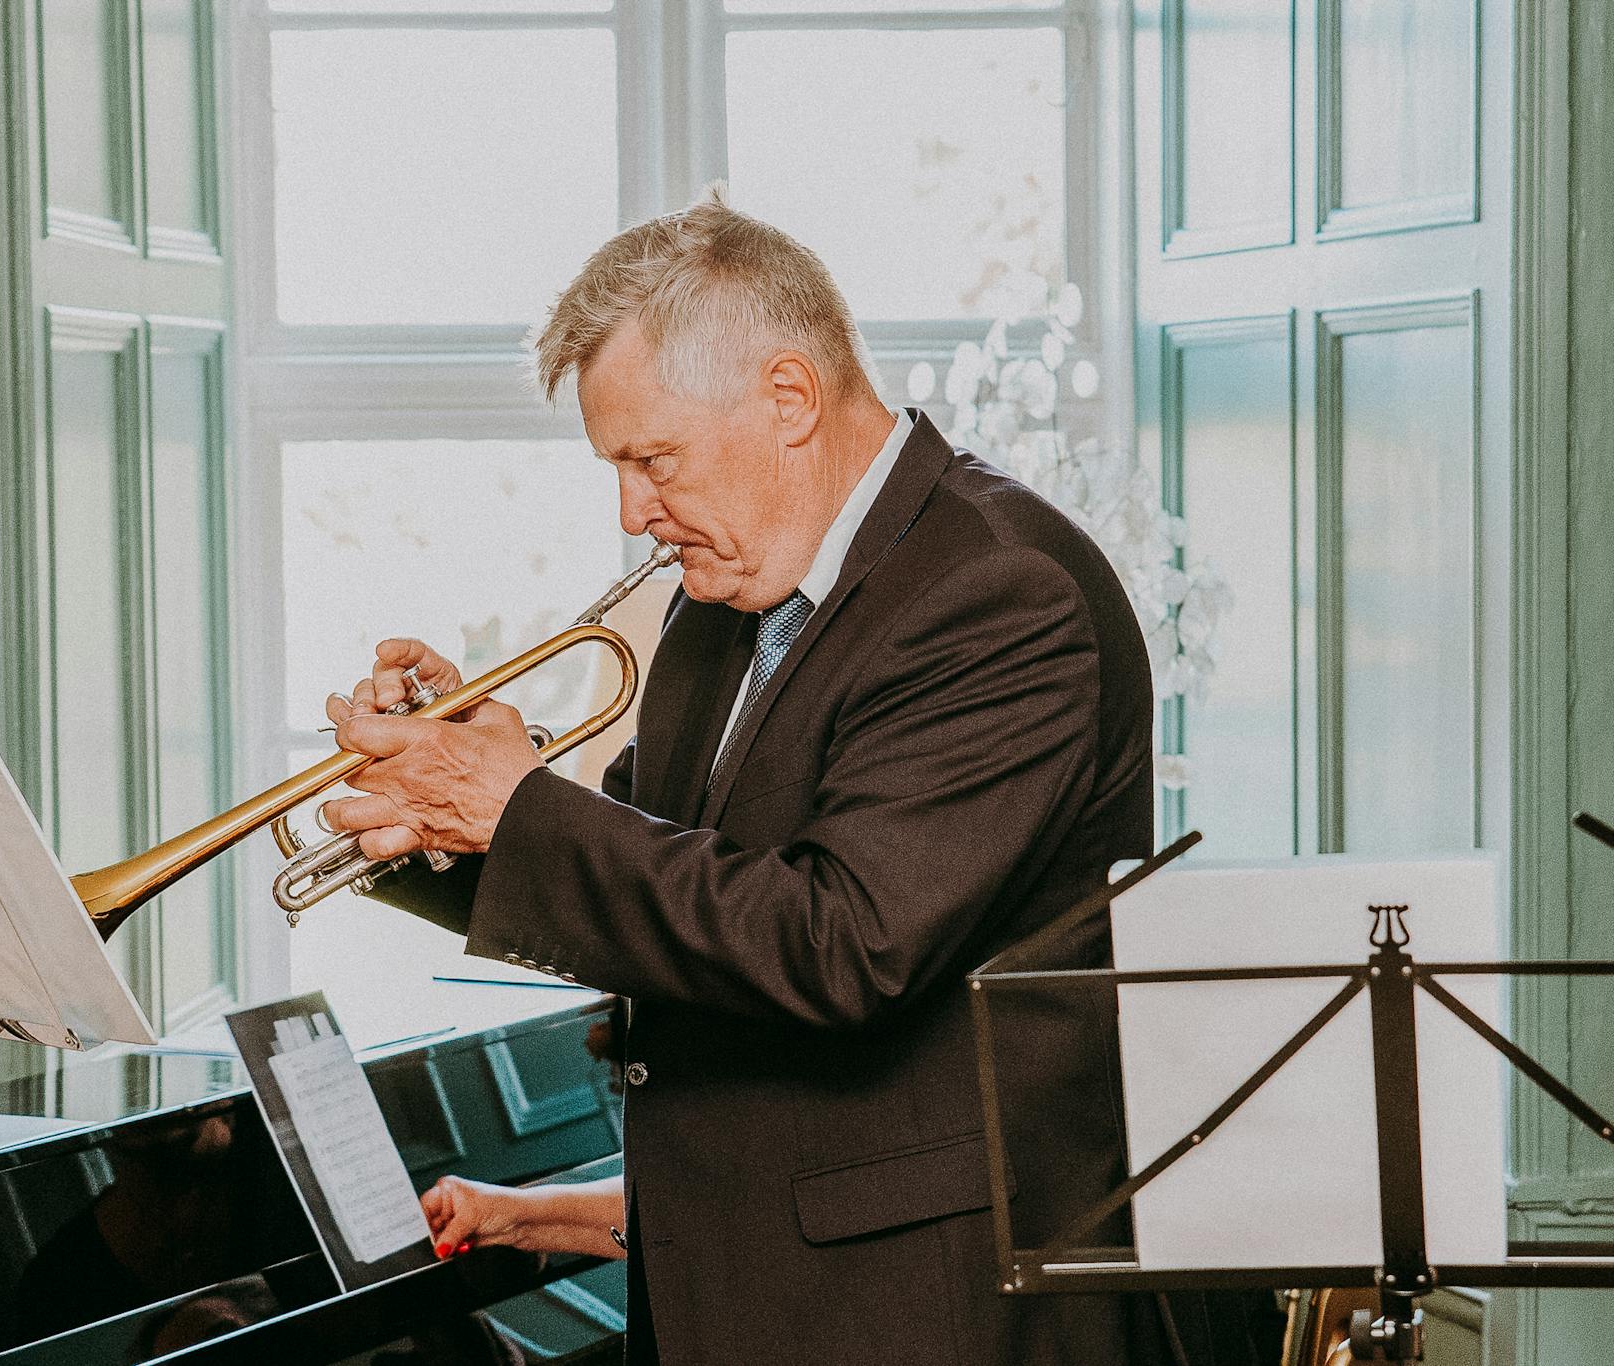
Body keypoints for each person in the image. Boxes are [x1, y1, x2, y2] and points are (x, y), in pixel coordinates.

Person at [321, 191, 1263, 1365]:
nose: (633, 513)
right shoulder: (724, 597)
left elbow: (843, 939)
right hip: (736, 1280)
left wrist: (520, 810)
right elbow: (667, 886)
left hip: (919, 1311)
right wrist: (446, 825)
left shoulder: (998, 588)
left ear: (786, 398)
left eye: (651, 458)